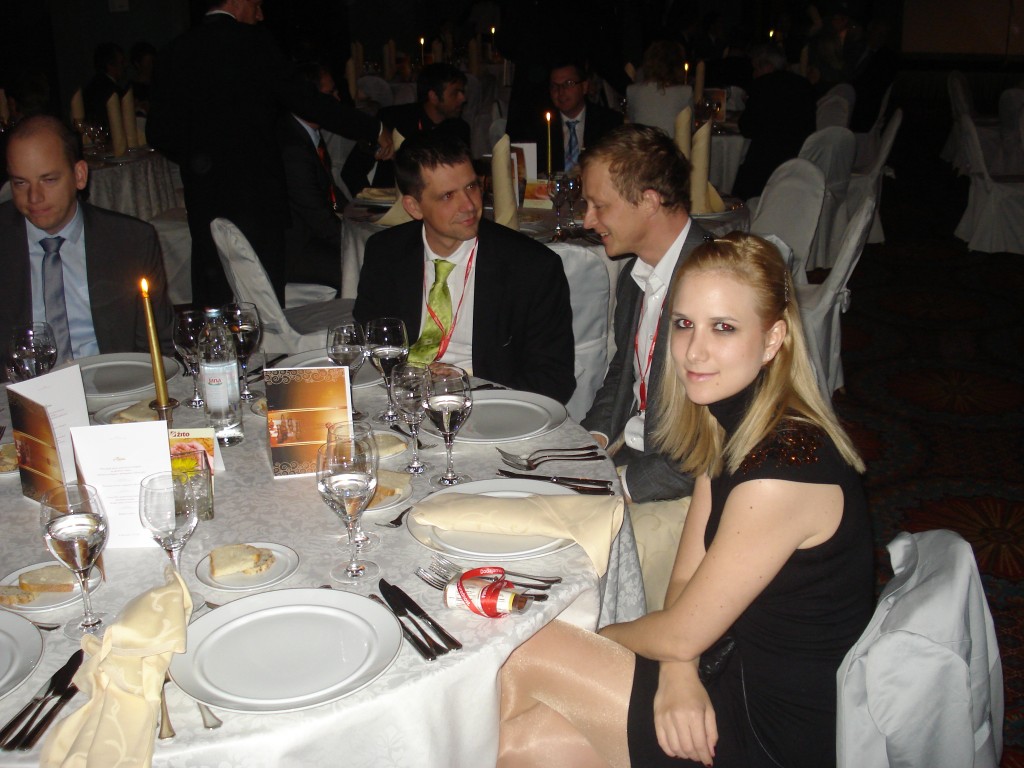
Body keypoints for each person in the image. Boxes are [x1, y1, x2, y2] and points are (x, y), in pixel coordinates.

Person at [498, 233, 874, 768]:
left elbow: (679, 631)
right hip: (723, 671)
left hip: (769, 731)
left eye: (724, 327)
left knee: (524, 654)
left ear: (773, 339)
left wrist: (601, 640)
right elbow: (683, 583)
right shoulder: (733, 427)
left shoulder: (781, 472)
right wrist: (679, 669)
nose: (694, 351)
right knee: (525, 742)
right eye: (683, 323)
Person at [147, 0, 392, 309]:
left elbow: (158, 133)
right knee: (263, 300)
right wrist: (371, 127)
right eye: (256, 4)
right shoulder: (253, 42)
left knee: (214, 291)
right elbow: (306, 100)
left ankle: (213, 338)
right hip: (257, 195)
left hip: (205, 196)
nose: (260, 14)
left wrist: (201, 161)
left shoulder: (174, 50)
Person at [353, 133, 575, 404]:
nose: (469, 205)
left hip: (489, 404)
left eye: (472, 186)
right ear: (414, 207)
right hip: (403, 399)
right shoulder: (386, 252)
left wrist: (464, 388)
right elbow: (370, 344)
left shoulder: (531, 266)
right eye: (448, 196)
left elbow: (555, 379)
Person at [580, 125, 707, 504]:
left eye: (599, 206)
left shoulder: (715, 284)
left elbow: (710, 443)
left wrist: (618, 487)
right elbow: (625, 371)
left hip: (687, 487)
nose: (587, 221)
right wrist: (591, 442)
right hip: (633, 453)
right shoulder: (635, 276)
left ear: (649, 201)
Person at [0, 115, 173, 370]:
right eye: (20, 182)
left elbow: (156, 346)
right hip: (21, 388)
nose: (34, 197)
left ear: (79, 175)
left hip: (110, 383)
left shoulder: (130, 241)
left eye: (49, 180)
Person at [341, 62, 470, 195]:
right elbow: (352, 170)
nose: (463, 98)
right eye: (455, 93)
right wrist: (369, 199)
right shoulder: (394, 120)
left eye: (462, 92)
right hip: (394, 203)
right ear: (433, 96)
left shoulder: (459, 129)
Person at [280, 62, 346, 291]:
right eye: (330, 93)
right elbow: (315, 213)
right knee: (363, 267)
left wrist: (355, 214)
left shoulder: (307, 132)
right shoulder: (292, 146)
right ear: (309, 98)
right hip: (297, 249)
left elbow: (328, 189)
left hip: (312, 237)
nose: (337, 98)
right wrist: (352, 243)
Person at [731, 43, 816, 200]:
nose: (754, 74)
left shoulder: (762, 85)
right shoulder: (804, 84)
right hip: (800, 161)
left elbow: (746, 127)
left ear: (767, 67)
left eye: (756, 69)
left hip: (764, 170)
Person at [626, 40, 693, 138]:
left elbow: (632, 124)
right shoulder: (685, 92)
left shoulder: (632, 91)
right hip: (670, 146)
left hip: (642, 145)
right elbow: (690, 129)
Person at [81, 42, 127, 128]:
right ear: (110, 65)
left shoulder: (91, 87)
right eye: (121, 62)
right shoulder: (112, 90)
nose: (125, 66)